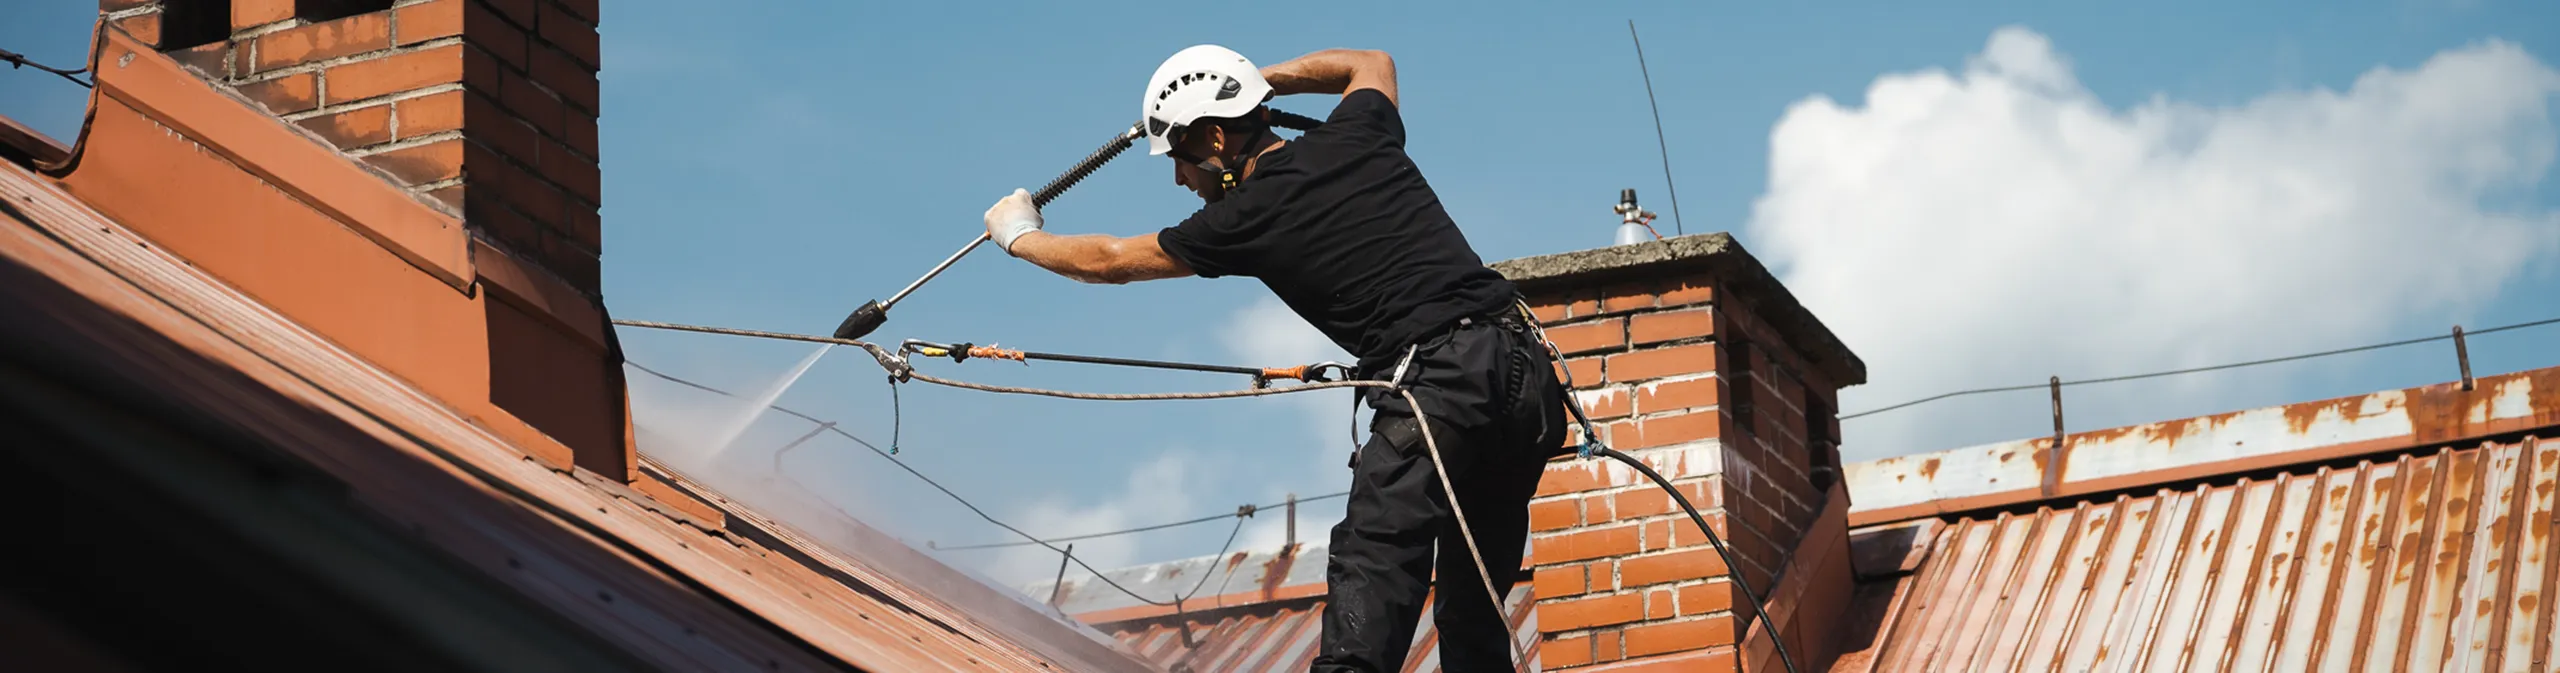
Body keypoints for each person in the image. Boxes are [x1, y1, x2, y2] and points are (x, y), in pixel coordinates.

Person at [981, 44, 1567, 672]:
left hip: (1443, 384)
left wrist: (1022, 237)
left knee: (1373, 562)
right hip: (1525, 378)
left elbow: (1112, 260)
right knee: (1472, 603)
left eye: (1180, 158)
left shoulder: (1249, 215)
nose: (1180, 178)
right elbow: (1370, 63)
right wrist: (1258, 83)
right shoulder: (1358, 134)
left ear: (1214, 137)